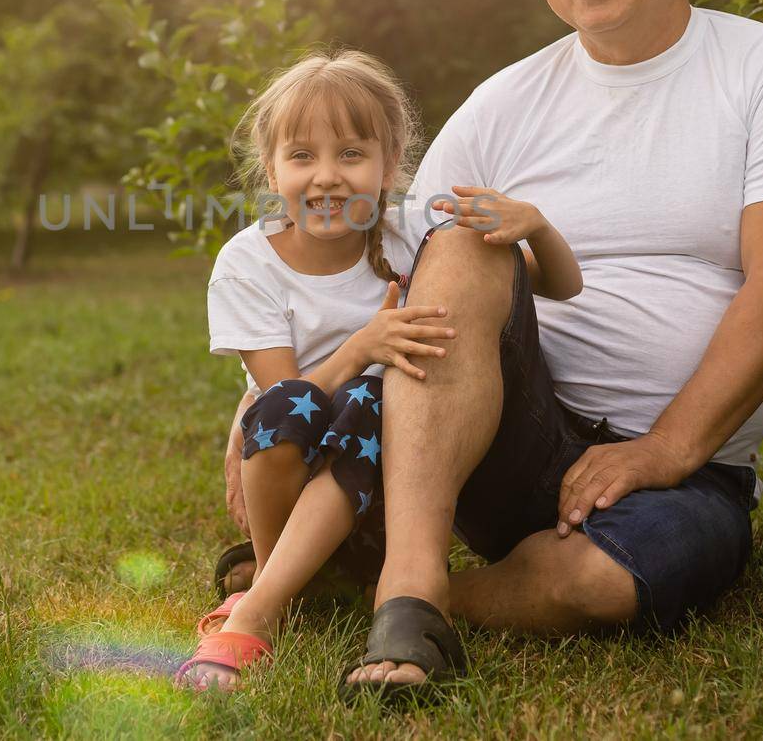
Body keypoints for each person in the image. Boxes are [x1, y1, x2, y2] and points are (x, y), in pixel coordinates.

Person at [322, 0, 763, 698]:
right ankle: (410, 590)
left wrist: (664, 448)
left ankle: (401, 589)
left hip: (690, 470)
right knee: (463, 235)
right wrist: (265, 401)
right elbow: (379, 277)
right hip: (505, 436)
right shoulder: (505, 101)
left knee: (603, 584)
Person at [177, 49, 586, 691]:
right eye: (302, 156)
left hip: (389, 490)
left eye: (351, 154)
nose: (327, 178)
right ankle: (275, 574)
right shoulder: (246, 263)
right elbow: (283, 396)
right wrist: (362, 345)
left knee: (377, 393)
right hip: (287, 477)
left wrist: (538, 228)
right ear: (272, 169)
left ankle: (268, 604)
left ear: (390, 166)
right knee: (292, 402)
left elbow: (557, 287)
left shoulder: (409, 236)